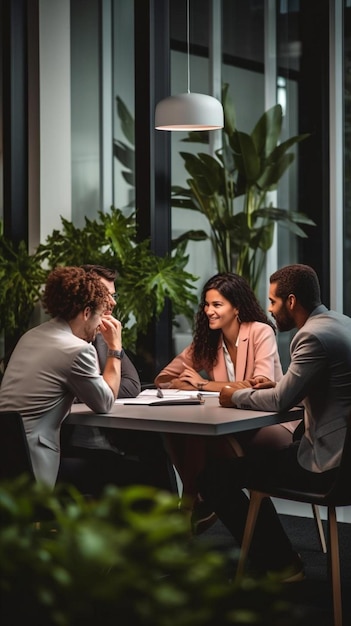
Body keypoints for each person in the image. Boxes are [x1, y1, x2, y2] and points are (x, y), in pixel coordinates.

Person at [197, 264, 351, 580]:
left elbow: (281, 402)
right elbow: (297, 390)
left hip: (329, 468)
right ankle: (273, 555)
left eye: (273, 301)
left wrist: (233, 395)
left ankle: (281, 562)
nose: (269, 309)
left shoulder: (311, 336)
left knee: (214, 476)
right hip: (344, 458)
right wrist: (274, 388)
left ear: (291, 301)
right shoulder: (341, 323)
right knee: (251, 461)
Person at [154, 272, 299, 527]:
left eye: (217, 305)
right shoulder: (209, 341)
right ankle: (198, 497)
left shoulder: (260, 332)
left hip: (271, 424)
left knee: (200, 436)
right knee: (174, 431)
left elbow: (258, 384)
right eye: (207, 305)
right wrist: (180, 381)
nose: (209, 311)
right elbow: (163, 379)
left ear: (237, 307)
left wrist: (201, 384)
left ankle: (193, 501)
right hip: (230, 421)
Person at [60, 264, 177, 493]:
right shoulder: (66, 343)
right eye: (105, 295)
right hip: (69, 446)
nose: (112, 303)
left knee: (155, 449)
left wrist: (90, 390)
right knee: (146, 470)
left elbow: (131, 385)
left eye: (114, 296)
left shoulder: (103, 336)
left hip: (110, 439)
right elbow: (95, 398)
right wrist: (94, 392)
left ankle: (174, 523)